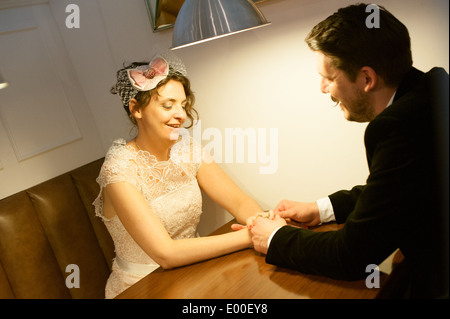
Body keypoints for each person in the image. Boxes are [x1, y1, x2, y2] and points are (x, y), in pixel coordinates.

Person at [246, 4, 449, 298]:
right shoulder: (431, 89)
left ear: (367, 79)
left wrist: (276, 237)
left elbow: (353, 256)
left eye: (329, 77)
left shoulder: (398, 126)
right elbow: (396, 191)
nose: (322, 88)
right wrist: (321, 209)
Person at [93, 54, 262, 298]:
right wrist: (249, 236)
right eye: (168, 105)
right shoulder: (118, 168)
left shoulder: (187, 148)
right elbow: (167, 254)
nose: (181, 114)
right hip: (143, 286)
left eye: (183, 105)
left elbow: (239, 202)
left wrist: (260, 222)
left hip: (193, 272)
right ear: (136, 109)